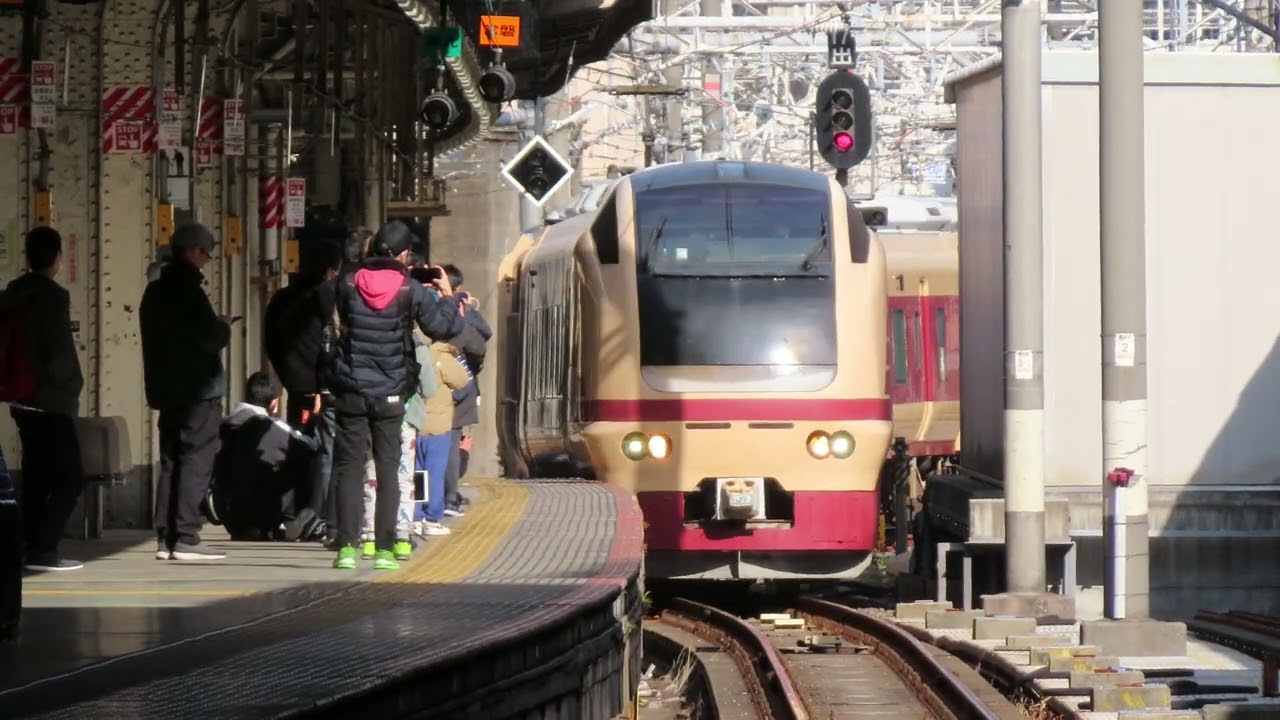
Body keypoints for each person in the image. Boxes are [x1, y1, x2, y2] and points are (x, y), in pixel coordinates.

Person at [324, 220, 464, 571]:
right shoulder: (410, 289)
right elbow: (443, 328)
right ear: (403, 255)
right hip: (389, 392)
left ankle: (347, 549)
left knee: (349, 468)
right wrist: (448, 296)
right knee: (388, 470)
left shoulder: (348, 282)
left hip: (352, 388)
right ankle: (386, 550)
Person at [140, 223, 232, 561]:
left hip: (167, 390)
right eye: (206, 253)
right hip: (198, 389)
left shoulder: (154, 292)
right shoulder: (189, 291)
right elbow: (208, 339)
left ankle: (166, 537)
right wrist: (222, 327)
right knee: (196, 459)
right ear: (193, 251)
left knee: (171, 459)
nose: (207, 260)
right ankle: (188, 536)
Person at [1, 227, 85, 571]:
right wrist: (72, 385)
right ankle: (44, 547)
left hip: (21, 398)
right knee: (70, 477)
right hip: (50, 400)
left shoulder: (13, 294)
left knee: (37, 476)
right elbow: (58, 353)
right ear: (57, 259)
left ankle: (27, 544)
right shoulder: (52, 297)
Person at [263, 240, 343, 541]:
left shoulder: (282, 296)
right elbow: (332, 336)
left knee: (298, 442)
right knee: (317, 451)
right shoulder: (323, 295)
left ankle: (287, 512)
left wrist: (284, 375)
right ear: (329, 271)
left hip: (295, 383)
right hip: (315, 385)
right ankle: (311, 514)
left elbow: (271, 339)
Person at [360, 294, 440, 560]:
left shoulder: (368, 340)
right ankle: (402, 538)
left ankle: (370, 537)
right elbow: (428, 388)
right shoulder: (418, 348)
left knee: (372, 477)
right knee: (403, 479)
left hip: (375, 417)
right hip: (405, 421)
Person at [211, 372, 320, 540]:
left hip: (228, 512)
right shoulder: (270, 426)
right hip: (260, 513)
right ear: (274, 403)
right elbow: (311, 446)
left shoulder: (223, 425)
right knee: (301, 459)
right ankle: (294, 520)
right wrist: (316, 417)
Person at [440, 264, 491, 517]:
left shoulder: (426, 306)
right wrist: (467, 309)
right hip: (456, 387)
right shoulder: (456, 315)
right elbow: (482, 339)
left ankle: (432, 498)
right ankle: (447, 498)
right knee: (449, 442)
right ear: (457, 288)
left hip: (430, 387)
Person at [413, 331, 470, 537]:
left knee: (418, 473)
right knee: (435, 473)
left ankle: (416, 515)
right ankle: (432, 517)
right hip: (438, 424)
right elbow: (463, 380)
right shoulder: (443, 357)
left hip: (417, 423)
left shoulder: (414, 351)